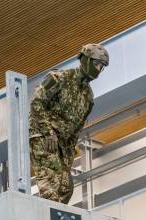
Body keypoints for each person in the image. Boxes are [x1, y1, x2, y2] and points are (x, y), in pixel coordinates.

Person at [29, 43, 109, 204]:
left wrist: (68, 155)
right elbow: (37, 103)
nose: (99, 69)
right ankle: (45, 219)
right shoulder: (59, 78)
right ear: (85, 60)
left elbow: (76, 129)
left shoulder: (88, 96)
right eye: (97, 64)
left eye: (102, 66)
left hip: (63, 145)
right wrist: (48, 132)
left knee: (66, 188)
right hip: (43, 138)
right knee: (51, 186)